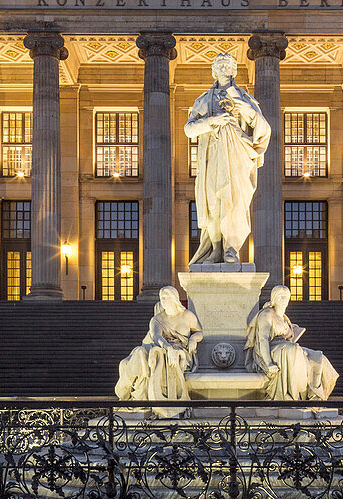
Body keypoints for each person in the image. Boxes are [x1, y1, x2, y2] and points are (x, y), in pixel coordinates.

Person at [184, 53, 271, 265]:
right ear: (214, 71)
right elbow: (188, 129)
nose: (224, 69)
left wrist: (248, 112)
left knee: (234, 204)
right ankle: (215, 250)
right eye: (220, 66)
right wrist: (212, 121)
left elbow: (264, 129)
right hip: (212, 156)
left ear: (234, 70)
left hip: (237, 157)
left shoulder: (246, 99)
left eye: (228, 66)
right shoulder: (204, 100)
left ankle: (231, 249)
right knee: (213, 204)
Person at [115, 286, 203, 416]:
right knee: (141, 353)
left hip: (181, 350)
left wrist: (193, 339)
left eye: (166, 297)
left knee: (144, 354)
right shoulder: (157, 319)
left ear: (174, 298)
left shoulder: (187, 315)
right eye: (162, 298)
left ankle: (132, 392)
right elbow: (156, 336)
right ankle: (134, 393)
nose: (164, 300)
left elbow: (199, 332)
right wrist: (167, 347)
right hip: (162, 347)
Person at [245, 285, 338, 402]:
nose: (284, 301)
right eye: (281, 297)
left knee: (318, 357)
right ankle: (298, 395)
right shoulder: (267, 314)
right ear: (274, 298)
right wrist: (268, 363)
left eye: (286, 297)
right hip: (272, 350)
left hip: (286, 347)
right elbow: (262, 340)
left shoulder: (284, 317)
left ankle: (314, 395)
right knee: (293, 350)